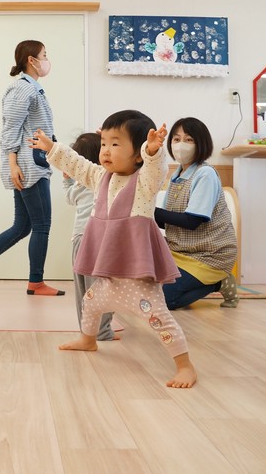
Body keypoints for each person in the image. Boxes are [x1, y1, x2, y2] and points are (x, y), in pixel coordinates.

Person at [31, 110, 197, 388]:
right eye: (104, 143)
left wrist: (152, 151)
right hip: (109, 277)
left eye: (115, 144)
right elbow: (78, 165)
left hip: (137, 280)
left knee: (160, 319)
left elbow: (156, 170)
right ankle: (88, 340)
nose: (106, 150)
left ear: (137, 154)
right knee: (90, 302)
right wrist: (52, 149)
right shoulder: (100, 177)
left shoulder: (144, 183)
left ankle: (185, 366)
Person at [0, 40, 65, 296]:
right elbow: (10, 128)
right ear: (32, 60)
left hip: (32, 163)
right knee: (41, 225)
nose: (47, 60)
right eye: (45, 55)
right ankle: (36, 282)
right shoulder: (22, 89)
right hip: (28, 167)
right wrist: (12, 164)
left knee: (22, 226)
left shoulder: (32, 88)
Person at [155, 117, 238, 309]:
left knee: (164, 299)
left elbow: (192, 221)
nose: (180, 145)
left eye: (188, 140)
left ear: (201, 143)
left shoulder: (205, 174)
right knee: (146, 286)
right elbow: (166, 221)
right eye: (176, 139)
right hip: (180, 251)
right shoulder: (176, 176)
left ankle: (219, 282)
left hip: (210, 255)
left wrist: (150, 211)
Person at [63, 132, 124, 341]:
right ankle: (102, 330)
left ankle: (86, 330)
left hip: (79, 239)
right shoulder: (106, 179)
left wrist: (66, 181)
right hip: (98, 239)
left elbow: (69, 198)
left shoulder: (80, 184)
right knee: (102, 286)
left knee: (82, 289)